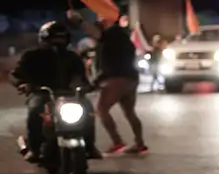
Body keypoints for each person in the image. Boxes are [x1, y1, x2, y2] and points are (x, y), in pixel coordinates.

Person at [11, 21, 99, 162]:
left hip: (69, 96)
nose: (57, 43)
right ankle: (34, 149)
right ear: (44, 39)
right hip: (42, 93)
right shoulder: (31, 56)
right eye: (53, 39)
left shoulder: (73, 57)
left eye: (61, 39)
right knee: (35, 110)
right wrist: (23, 84)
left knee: (88, 108)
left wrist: (85, 86)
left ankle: (89, 145)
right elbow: (15, 75)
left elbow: (81, 78)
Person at [67, 11, 147, 155]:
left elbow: (108, 64)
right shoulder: (122, 38)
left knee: (102, 109)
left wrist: (78, 21)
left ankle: (117, 141)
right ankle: (139, 143)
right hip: (130, 77)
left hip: (117, 78)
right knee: (130, 112)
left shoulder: (111, 34)